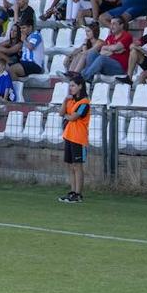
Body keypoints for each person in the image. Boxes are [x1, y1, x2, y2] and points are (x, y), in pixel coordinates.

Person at [59, 75, 90, 204]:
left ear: (80, 86)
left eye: (73, 86)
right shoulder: (71, 101)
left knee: (78, 166)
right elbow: (61, 113)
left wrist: (67, 116)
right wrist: (65, 101)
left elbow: (73, 118)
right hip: (69, 136)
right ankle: (72, 192)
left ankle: (78, 194)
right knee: (70, 166)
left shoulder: (84, 103)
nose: (70, 88)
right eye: (70, 86)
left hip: (79, 138)